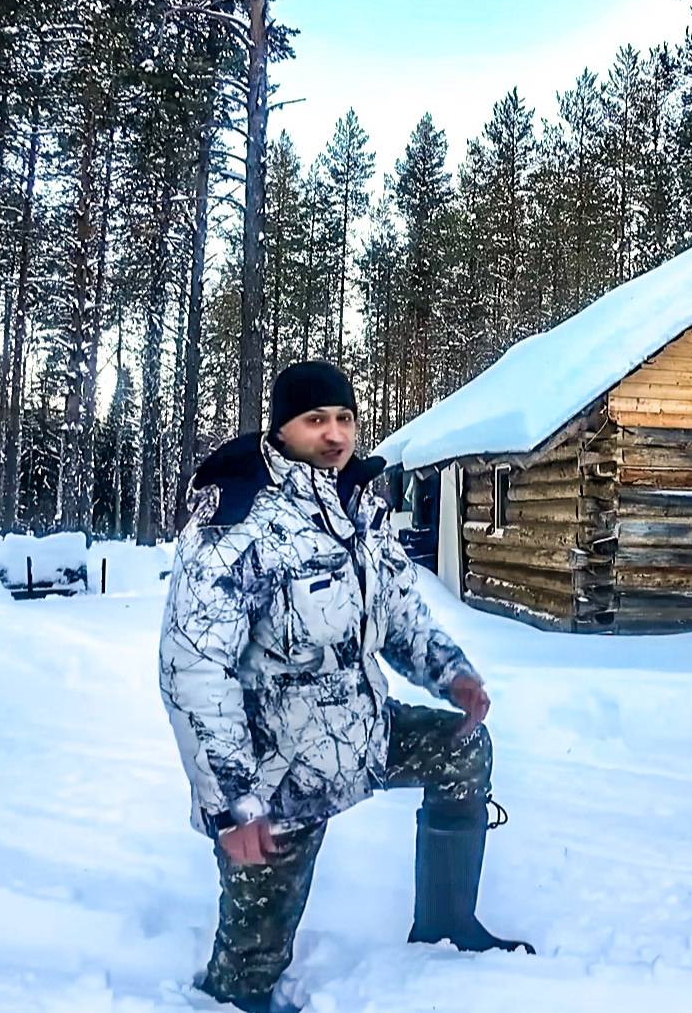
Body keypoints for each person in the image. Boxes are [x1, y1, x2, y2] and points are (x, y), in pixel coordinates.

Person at [159, 360, 530, 1013]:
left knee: (462, 748)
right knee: (249, 970)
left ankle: (445, 926)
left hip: (362, 735)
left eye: (343, 418)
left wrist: (452, 674)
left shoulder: (358, 507)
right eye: (315, 419)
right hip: (275, 779)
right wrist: (229, 802)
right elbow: (193, 667)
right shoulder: (240, 524)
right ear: (281, 429)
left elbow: (398, 616)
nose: (334, 434)